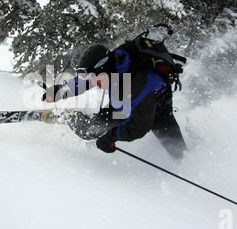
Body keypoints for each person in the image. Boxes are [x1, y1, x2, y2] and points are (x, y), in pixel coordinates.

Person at [44, 43, 187, 158]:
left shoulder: (140, 84)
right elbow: (85, 81)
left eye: (95, 77)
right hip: (121, 107)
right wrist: (59, 91)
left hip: (156, 114)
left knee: (178, 153)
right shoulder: (110, 68)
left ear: (105, 70)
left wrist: (110, 138)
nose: (93, 82)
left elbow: (140, 126)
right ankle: (66, 115)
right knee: (89, 130)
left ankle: (185, 166)